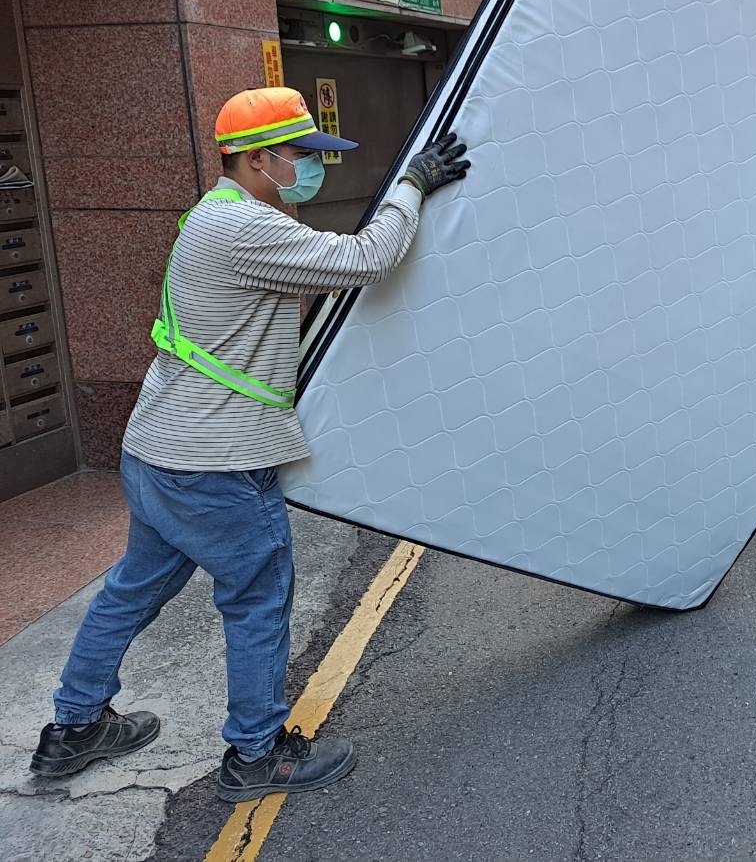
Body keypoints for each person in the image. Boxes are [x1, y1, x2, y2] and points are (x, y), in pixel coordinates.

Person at [29, 87, 470, 801]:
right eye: (302, 155)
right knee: (258, 599)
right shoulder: (244, 231)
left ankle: (74, 728)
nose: (311, 167)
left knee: (131, 591)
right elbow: (368, 258)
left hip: (160, 448)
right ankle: (257, 755)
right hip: (216, 464)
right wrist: (413, 186)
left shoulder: (217, 216)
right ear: (260, 158)